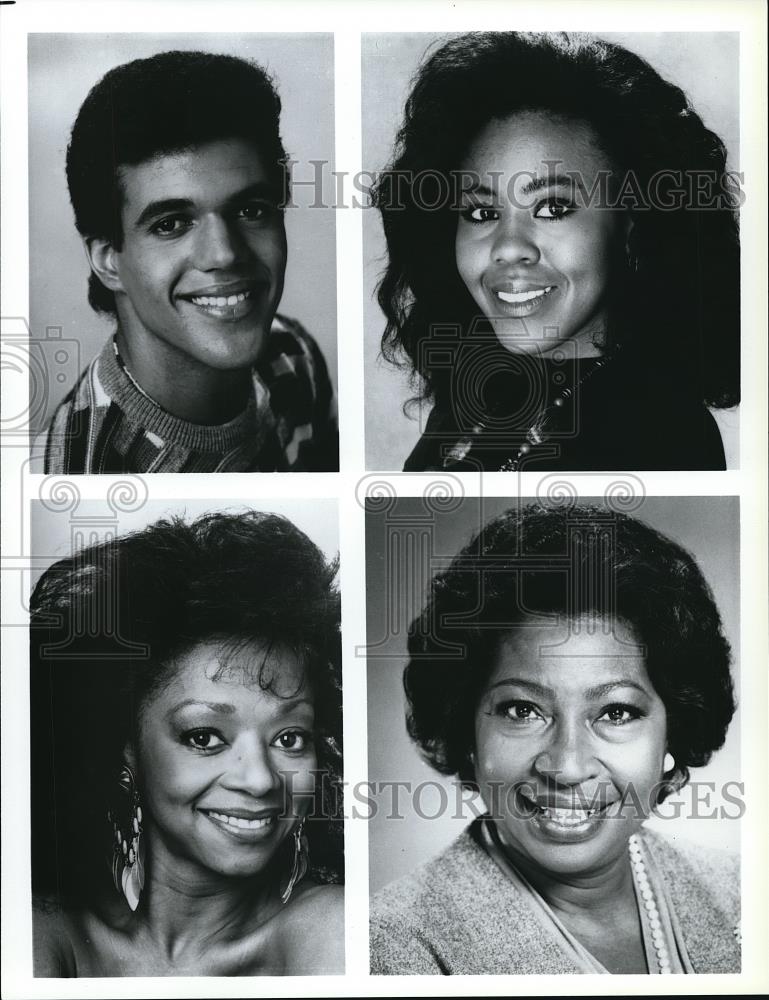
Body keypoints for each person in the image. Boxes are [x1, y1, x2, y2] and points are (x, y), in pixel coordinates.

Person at [370, 504, 739, 974]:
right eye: (523, 710)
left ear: (674, 730)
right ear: (467, 730)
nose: (566, 766)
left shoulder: (741, 890)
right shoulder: (397, 948)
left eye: (616, 712)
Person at [371, 32, 740, 471]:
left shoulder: (663, 431)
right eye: (482, 212)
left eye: (553, 207)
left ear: (632, 223)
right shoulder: (479, 398)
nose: (508, 247)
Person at [30, 511, 344, 976]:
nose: (259, 779)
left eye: (289, 737)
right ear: (127, 750)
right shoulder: (46, 933)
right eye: (204, 737)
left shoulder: (333, 930)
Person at [37, 50, 338, 473]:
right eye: (172, 224)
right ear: (108, 261)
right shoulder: (74, 469)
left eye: (250, 211)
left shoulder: (292, 355)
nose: (225, 253)